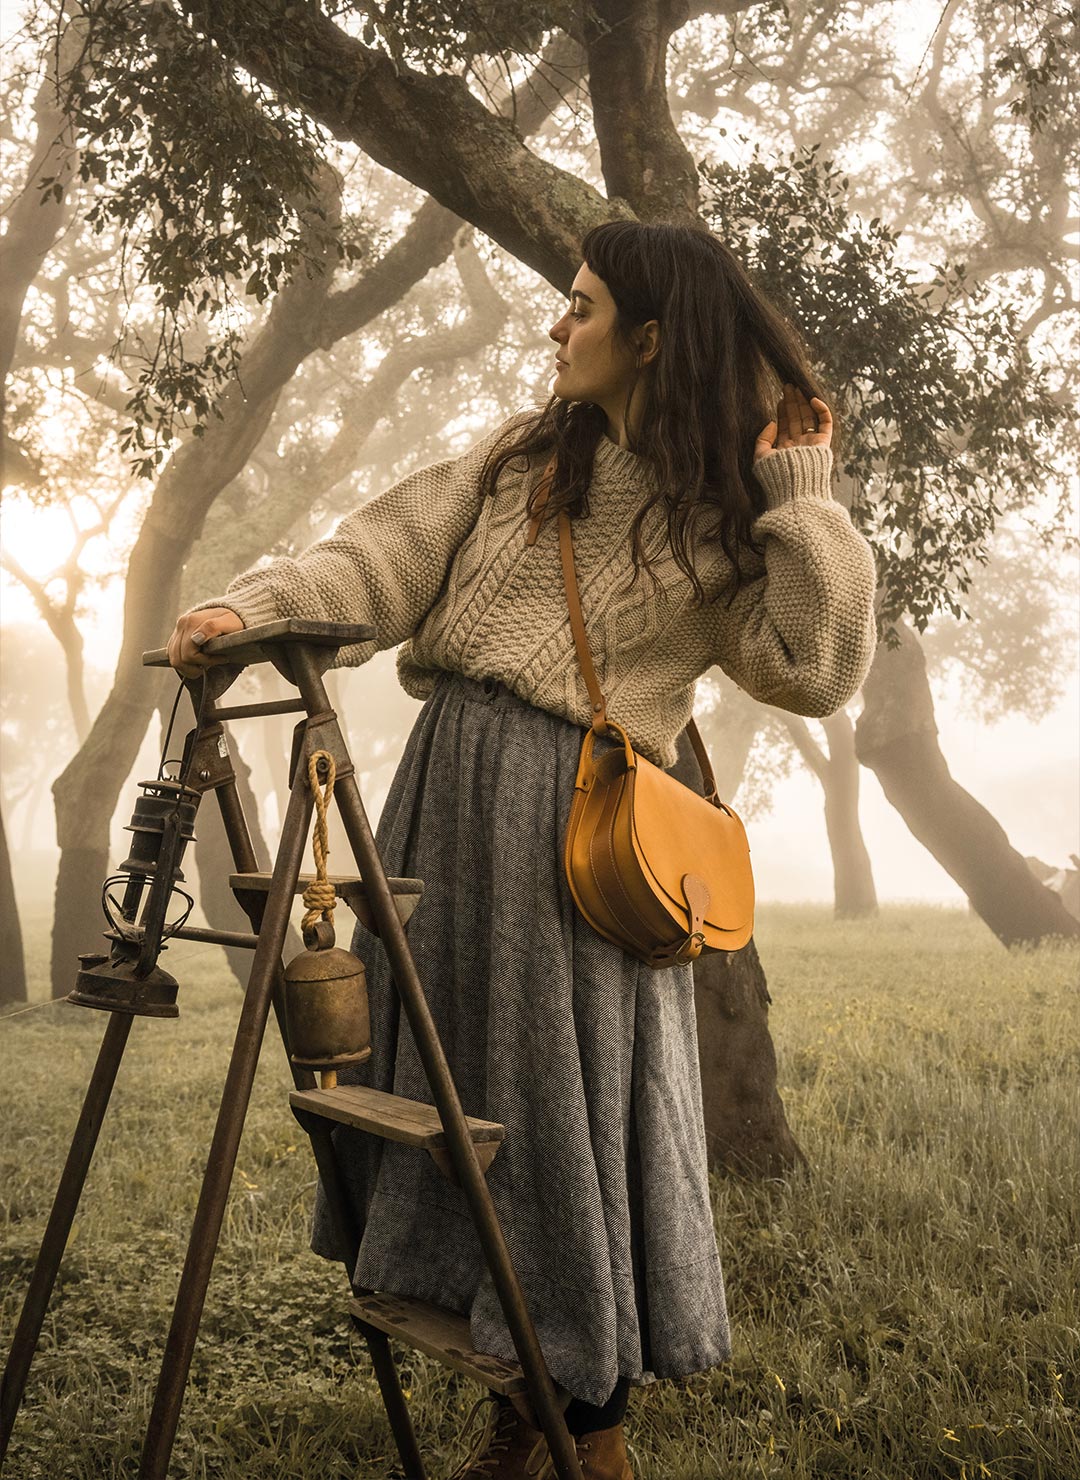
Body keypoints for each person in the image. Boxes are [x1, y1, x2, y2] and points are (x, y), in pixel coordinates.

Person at [168, 220, 877, 1479]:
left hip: (581, 841)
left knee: (557, 1115)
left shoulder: (725, 516)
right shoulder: (519, 460)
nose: (558, 323)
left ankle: (586, 1425)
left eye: (583, 306)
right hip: (446, 802)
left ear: (649, 340)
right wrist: (250, 608)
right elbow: (379, 558)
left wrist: (804, 495)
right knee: (452, 1097)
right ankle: (517, 1399)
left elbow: (815, 667)